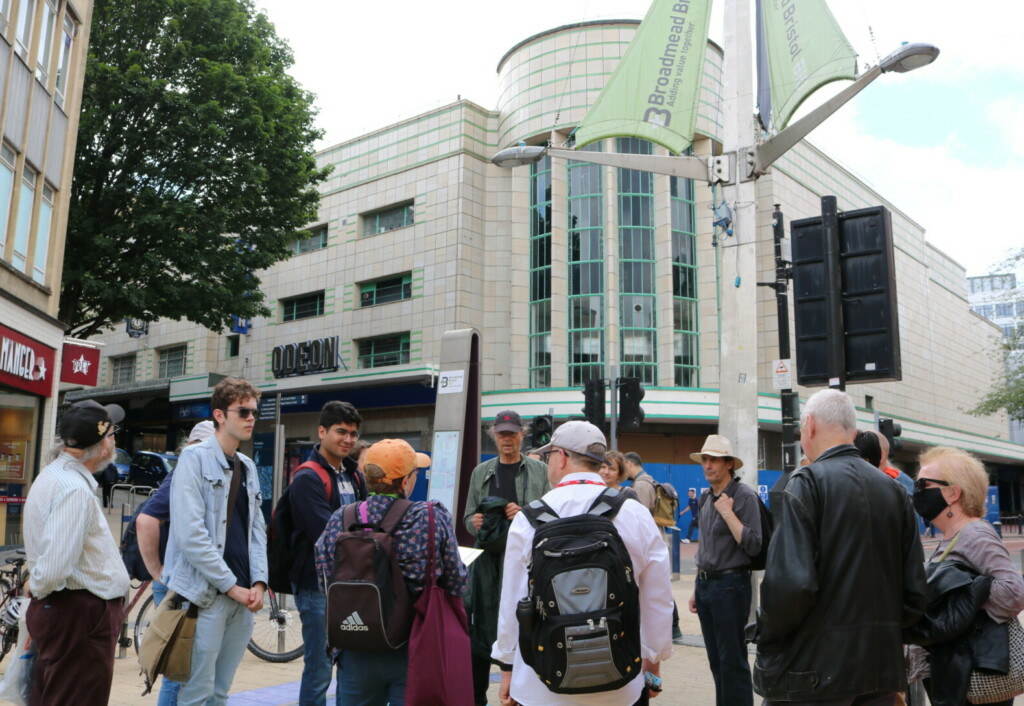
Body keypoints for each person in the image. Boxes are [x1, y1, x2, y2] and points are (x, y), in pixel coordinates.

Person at [751, 389, 927, 706]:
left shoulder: (807, 482)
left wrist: (764, 630)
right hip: (879, 673)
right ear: (854, 434)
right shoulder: (894, 491)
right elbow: (914, 594)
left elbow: (790, 586)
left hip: (814, 675)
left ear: (809, 425)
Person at [492, 421, 672, 706]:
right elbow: (658, 599)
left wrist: (506, 666)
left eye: (550, 455)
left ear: (561, 457)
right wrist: (653, 661)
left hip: (542, 685)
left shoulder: (528, 519)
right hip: (621, 683)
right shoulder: (634, 513)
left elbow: (513, 602)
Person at [314, 439, 468, 705]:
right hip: (412, 646)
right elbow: (456, 581)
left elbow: (323, 578)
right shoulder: (428, 517)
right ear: (405, 481)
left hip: (354, 645)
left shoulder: (341, 518)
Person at [163, 377, 268, 705]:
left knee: (220, 693)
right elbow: (190, 535)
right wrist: (229, 585)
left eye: (254, 411)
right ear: (220, 415)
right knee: (196, 693)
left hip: (243, 600)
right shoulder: (193, 460)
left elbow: (257, 529)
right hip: (206, 596)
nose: (251, 417)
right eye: (243, 411)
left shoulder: (248, 466)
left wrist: (260, 582)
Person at [23, 399, 131, 706]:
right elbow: (55, 568)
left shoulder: (56, 475)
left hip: (71, 613)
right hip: (79, 614)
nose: (114, 439)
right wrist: (39, 584)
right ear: (101, 444)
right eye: (112, 433)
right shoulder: (73, 489)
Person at [905, 446, 1024, 706]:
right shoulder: (953, 537)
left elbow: (1014, 593)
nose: (917, 491)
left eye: (924, 484)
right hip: (954, 673)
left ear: (952, 493)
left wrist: (964, 596)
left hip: (972, 675)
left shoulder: (974, 535)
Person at [463, 410, 548, 705]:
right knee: (482, 624)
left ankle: (519, 693)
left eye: (512, 433)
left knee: (520, 620)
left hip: (525, 560)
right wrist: (472, 522)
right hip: (486, 563)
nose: (507, 439)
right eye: (502, 434)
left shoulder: (540, 472)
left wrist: (524, 512)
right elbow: (465, 516)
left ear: (522, 435)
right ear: (494, 436)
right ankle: (477, 697)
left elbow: (551, 514)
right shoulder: (481, 471)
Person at [289, 401, 368, 705]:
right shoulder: (307, 477)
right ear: (321, 432)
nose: (347, 439)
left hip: (348, 583)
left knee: (348, 661)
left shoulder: (354, 475)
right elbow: (326, 534)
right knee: (320, 667)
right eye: (341, 432)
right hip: (315, 585)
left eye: (352, 433)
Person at [137, 419, 216, 706]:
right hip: (178, 584)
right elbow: (146, 521)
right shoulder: (184, 471)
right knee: (177, 669)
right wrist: (157, 571)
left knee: (184, 668)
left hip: (185, 582)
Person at [686, 434, 761, 706]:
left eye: (714, 460)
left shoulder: (744, 496)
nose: (708, 465)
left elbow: (754, 544)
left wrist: (729, 513)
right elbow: (704, 546)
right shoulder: (706, 497)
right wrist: (697, 586)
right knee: (716, 661)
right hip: (707, 587)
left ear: (729, 464)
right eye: (705, 459)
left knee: (732, 662)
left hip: (731, 586)